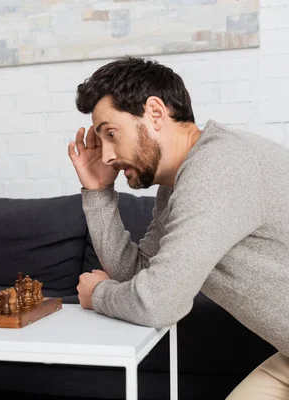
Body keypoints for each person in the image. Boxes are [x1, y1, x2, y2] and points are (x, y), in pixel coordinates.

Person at [68, 56, 289, 399]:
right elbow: (137, 275)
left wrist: (99, 295)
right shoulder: (177, 183)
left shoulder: (217, 166)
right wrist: (99, 193)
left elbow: (158, 303)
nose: (107, 155)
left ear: (155, 112)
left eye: (111, 134)